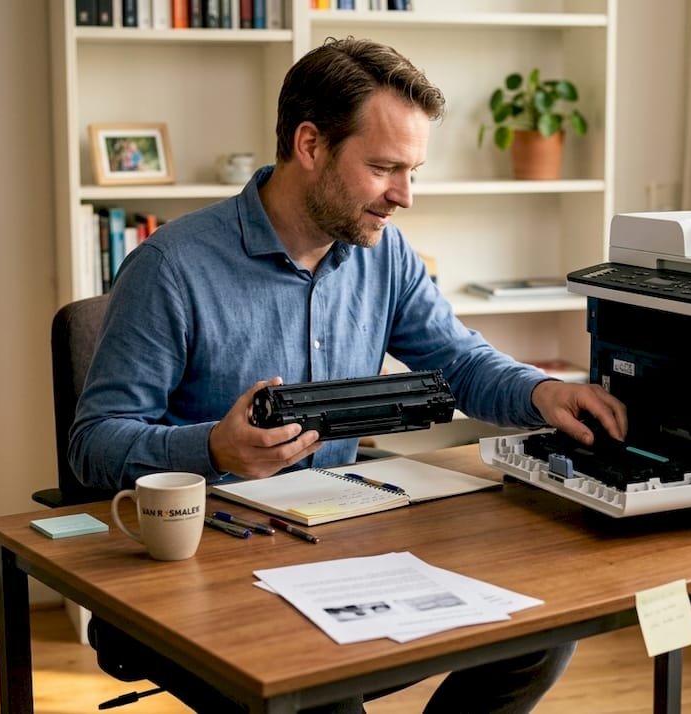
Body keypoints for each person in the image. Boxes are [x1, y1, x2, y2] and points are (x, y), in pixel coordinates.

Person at [70, 37, 628, 714]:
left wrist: (544, 391)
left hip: (337, 543)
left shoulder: (382, 253)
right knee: (322, 698)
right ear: (310, 145)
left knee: (544, 630)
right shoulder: (172, 268)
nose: (406, 196)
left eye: (412, 170)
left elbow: (457, 361)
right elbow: (94, 446)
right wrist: (214, 448)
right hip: (214, 567)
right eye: (385, 168)